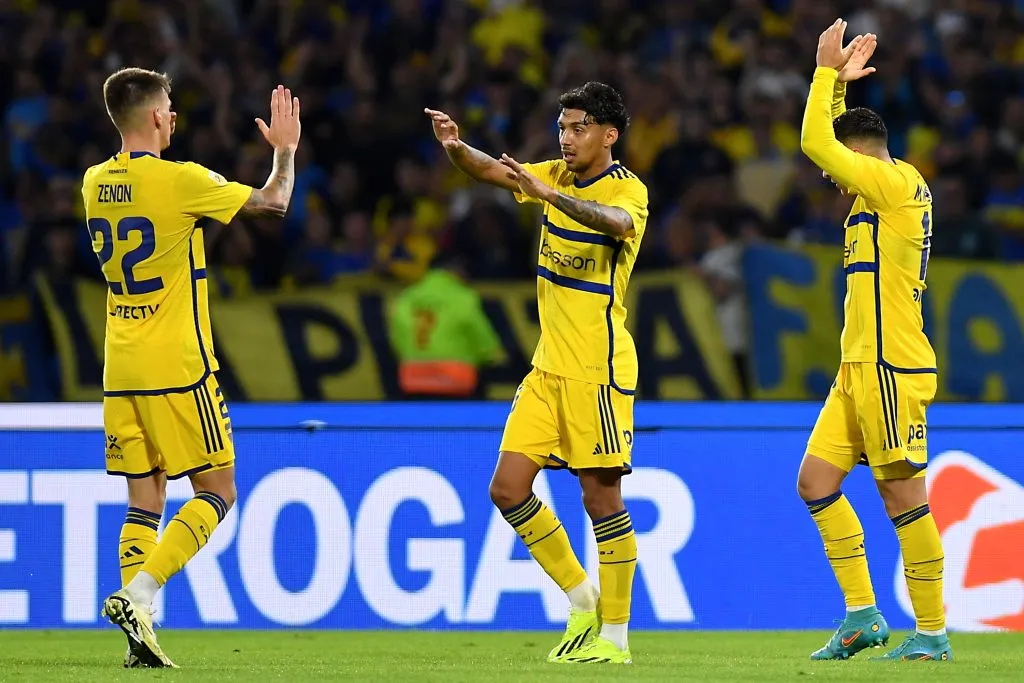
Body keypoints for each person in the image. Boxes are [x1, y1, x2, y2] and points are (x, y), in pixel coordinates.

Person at [82, 68, 300, 668]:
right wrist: (283, 152)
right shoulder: (180, 180)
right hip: (178, 366)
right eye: (170, 107)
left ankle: (139, 640)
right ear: (155, 117)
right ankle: (139, 594)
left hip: (119, 369)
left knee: (143, 502)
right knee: (219, 490)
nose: (174, 116)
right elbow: (274, 203)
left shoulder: (93, 182)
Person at [425, 81, 648, 665]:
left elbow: (616, 225)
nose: (567, 138)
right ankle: (581, 598)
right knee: (507, 488)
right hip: (548, 369)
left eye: (578, 128)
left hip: (597, 370)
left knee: (602, 501)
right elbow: (494, 172)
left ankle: (616, 640)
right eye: (563, 127)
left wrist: (547, 194)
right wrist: (455, 148)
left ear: (608, 134)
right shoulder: (553, 174)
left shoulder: (629, 190)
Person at [797, 22, 952, 662]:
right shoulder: (873, 192)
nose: (835, 183)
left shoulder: (891, 187)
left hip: (891, 367)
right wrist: (838, 96)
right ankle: (862, 615)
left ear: (861, 160)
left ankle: (934, 632)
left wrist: (824, 72)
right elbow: (831, 138)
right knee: (815, 483)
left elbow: (814, 143)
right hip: (854, 368)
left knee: (901, 496)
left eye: (843, 169)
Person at [390, 253, 501, 399]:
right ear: (456, 271)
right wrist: (488, 357)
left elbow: (398, 336)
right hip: (456, 380)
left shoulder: (407, 297)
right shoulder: (463, 297)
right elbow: (484, 343)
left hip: (413, 380)